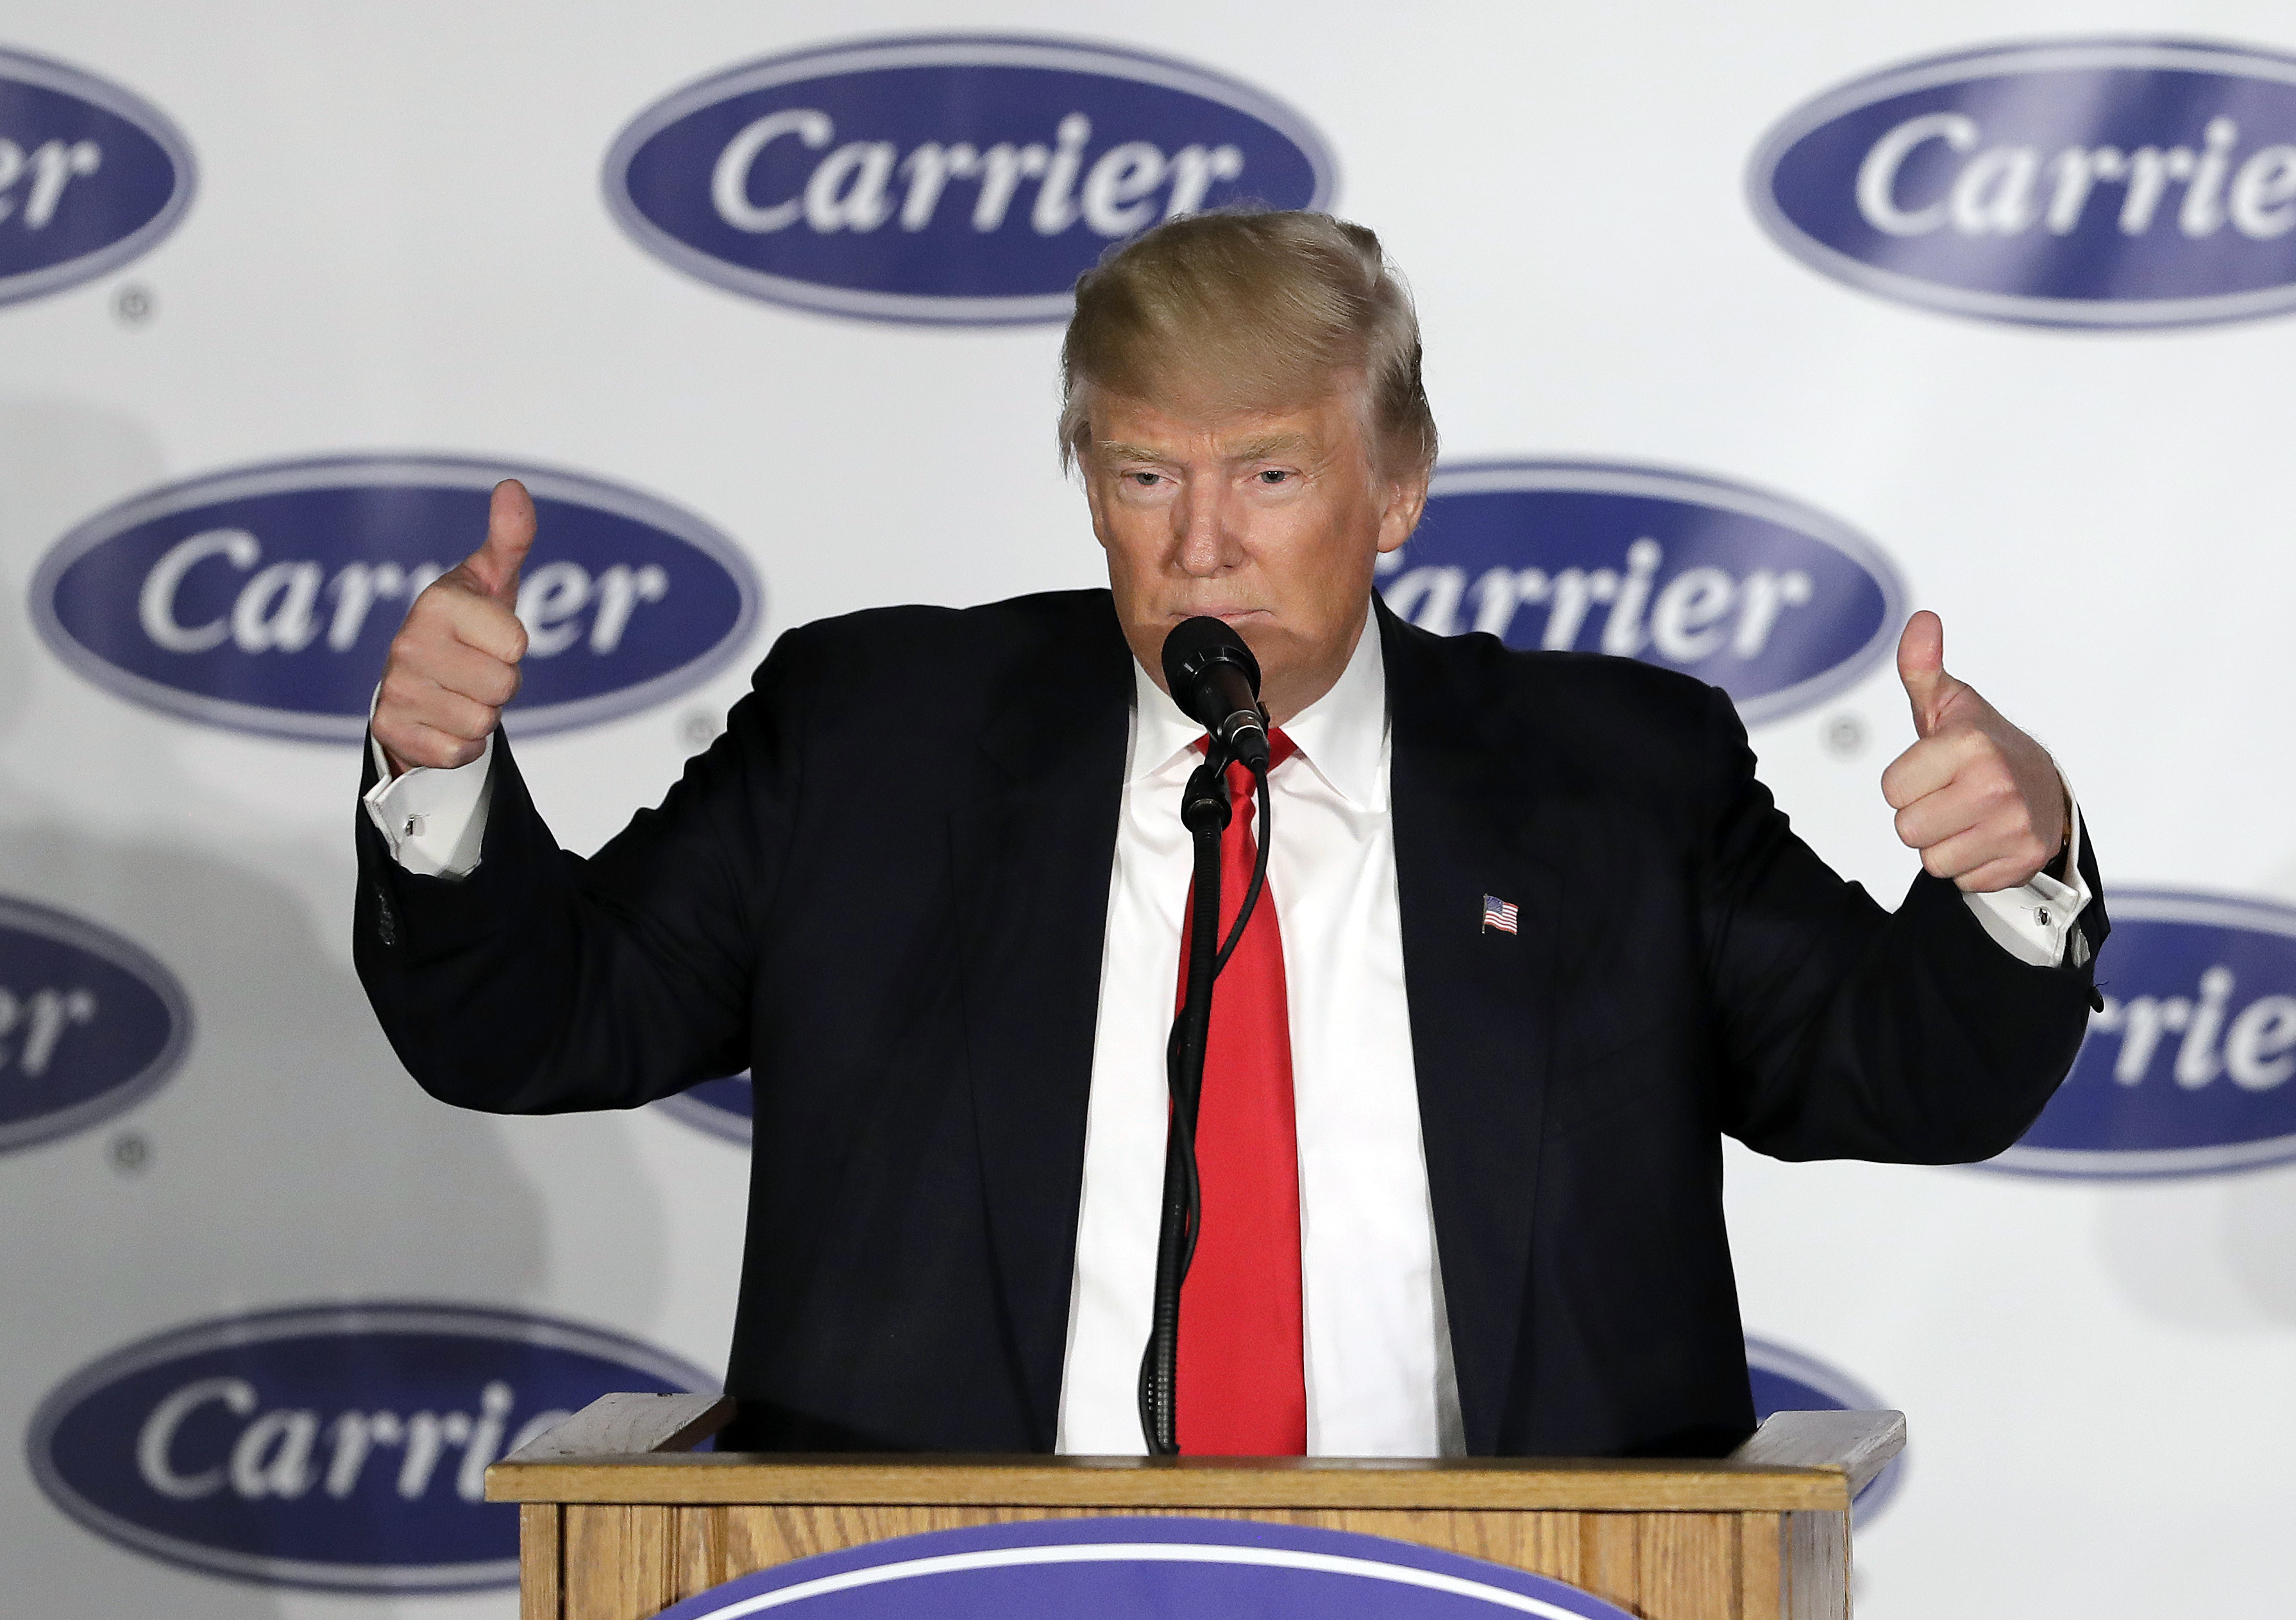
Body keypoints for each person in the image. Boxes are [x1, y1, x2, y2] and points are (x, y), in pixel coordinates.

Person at [355, 209, 2104, 1459]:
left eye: (1268, 475)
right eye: (1142, 476)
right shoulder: (874, 739)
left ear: (1396, 485)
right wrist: (438, 774)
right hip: (956, 1594)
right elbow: (544, 1019)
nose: (1201, 547)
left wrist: (2010, 877)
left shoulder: (1613, 773)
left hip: (1501, 1593)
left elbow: (1893, 1073)